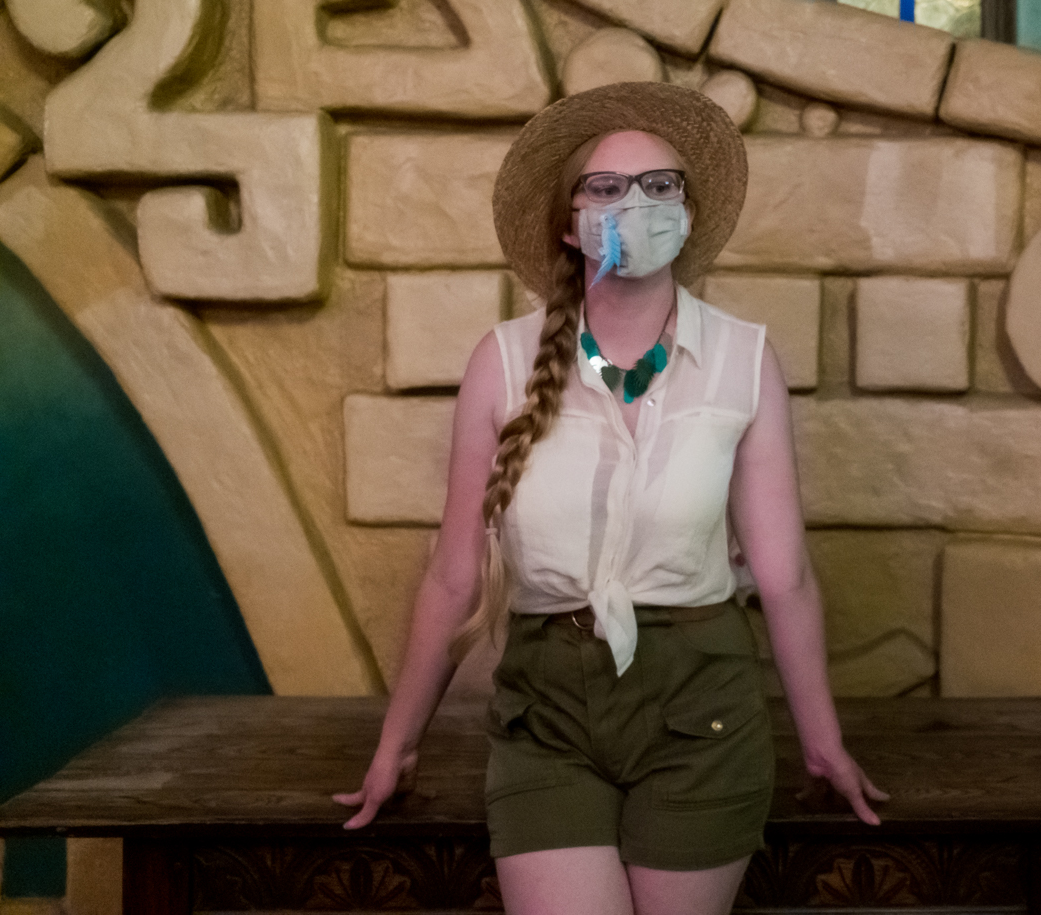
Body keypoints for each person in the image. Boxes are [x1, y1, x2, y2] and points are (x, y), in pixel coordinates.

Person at [332, 80, 888, 915]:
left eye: (662, 185)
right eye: (608, 186)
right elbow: (454, 578)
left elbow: (784, 576)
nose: (639, 202)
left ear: (689, 215)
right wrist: (394, 745)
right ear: (570, 222)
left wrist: (823, 742)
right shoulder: (503, 362)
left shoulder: (744, 359)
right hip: (546, 710)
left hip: (699, 702)